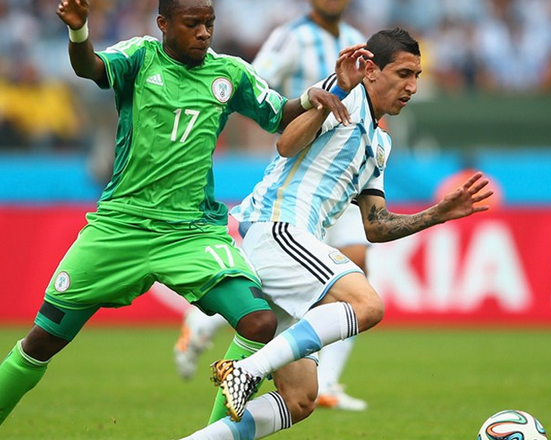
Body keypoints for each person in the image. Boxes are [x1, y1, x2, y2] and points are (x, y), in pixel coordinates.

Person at [0, 0, 364, 428]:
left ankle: (215, 437)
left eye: (209, 23)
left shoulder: (230, 73)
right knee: (42, 341)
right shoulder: (140, 56)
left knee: (259, 322)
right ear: (164, 23)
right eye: (192, 24)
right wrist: (79, 31)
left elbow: (279, 114)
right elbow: (90, 68)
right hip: (120, 227)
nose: (204, 32)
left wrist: (316, 94)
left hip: (192, 233)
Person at [178, 28, 492, 440]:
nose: (412, 87)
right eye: (403, 74)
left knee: (300, 399)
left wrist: (436, 214)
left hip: (293, 246)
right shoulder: (344, 94)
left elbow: (375, 225)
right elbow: (287, 144)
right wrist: (335, 93)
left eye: (417, 75)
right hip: (279, 228)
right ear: (371, 71)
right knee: (367, 304)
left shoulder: (380, 142)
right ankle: (247, 370)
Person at [173, 0, 370, 412]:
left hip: (345, 172)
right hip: (300, 171)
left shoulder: (357, 41)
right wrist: (301, 110)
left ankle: (328, 380)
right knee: (304, 286)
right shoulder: (291, 37)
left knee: (354, 270)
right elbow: (252, 85)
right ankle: (204, 322)